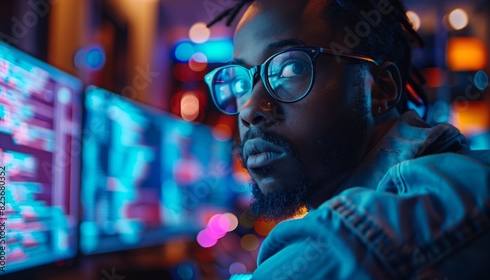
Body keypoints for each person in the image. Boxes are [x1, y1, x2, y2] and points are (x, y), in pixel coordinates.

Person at [204, 0, 490, 279]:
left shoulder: (418, 209)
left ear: (379, 90)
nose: (250, 109)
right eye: (240, 83)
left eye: (292, 69)